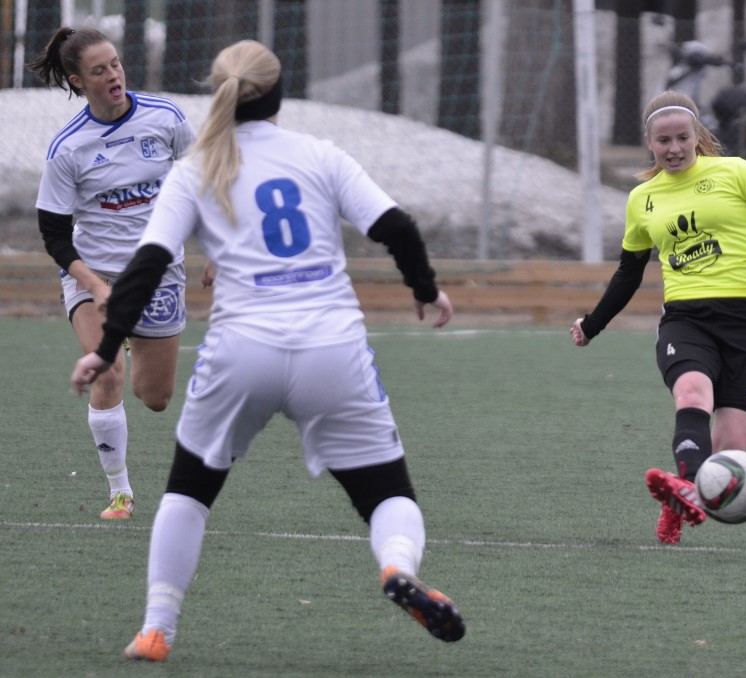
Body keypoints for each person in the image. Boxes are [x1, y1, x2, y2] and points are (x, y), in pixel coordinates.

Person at [71, 39, 464, 661]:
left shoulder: (196, 167)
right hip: (331, 349)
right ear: (279, 93)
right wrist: (425, 289)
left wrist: (107, 346)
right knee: (387, 494)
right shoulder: (320, 155)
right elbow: (397, 228)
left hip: (241, 350)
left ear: (219, 94)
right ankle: (397, 567)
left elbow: (146, 265)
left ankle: (156, 629)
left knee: (188, 493)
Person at [570, 90, 746, 544]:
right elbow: (629, 272)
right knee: (692, 392)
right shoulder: (642, 198)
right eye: (664, 140)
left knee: (729, 453)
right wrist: (593, 323)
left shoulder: (735, 172)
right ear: (649, 143)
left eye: (683, 137)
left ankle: (684, 498)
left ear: (697, 135)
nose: (675, 148)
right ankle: (685, 487)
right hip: (687, 318)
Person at [28, 27, 197, 520]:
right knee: (106, 371)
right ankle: (120, 492)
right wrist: (93, 285)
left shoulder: (165, 117)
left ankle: (128, 338)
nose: (114, 76)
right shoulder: (68, 148)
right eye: (99, 71)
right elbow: (54, 235)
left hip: (159, 271)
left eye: (116, 64)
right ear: (79, 82)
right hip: (95, 272)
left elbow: (205, 182)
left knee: (155, 397)